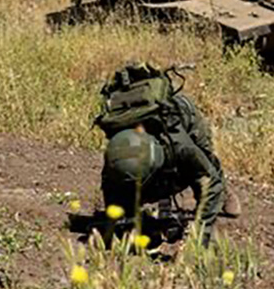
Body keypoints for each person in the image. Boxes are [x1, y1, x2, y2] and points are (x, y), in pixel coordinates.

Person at [98, 63, 241, 246]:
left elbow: (208, 182)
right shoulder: (116, 165)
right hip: (147, 153)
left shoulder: (182, 147)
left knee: (206, 162)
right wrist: (131, 226)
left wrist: (198, 236)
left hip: (186, 117)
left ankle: (225, 192)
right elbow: (115, 207)